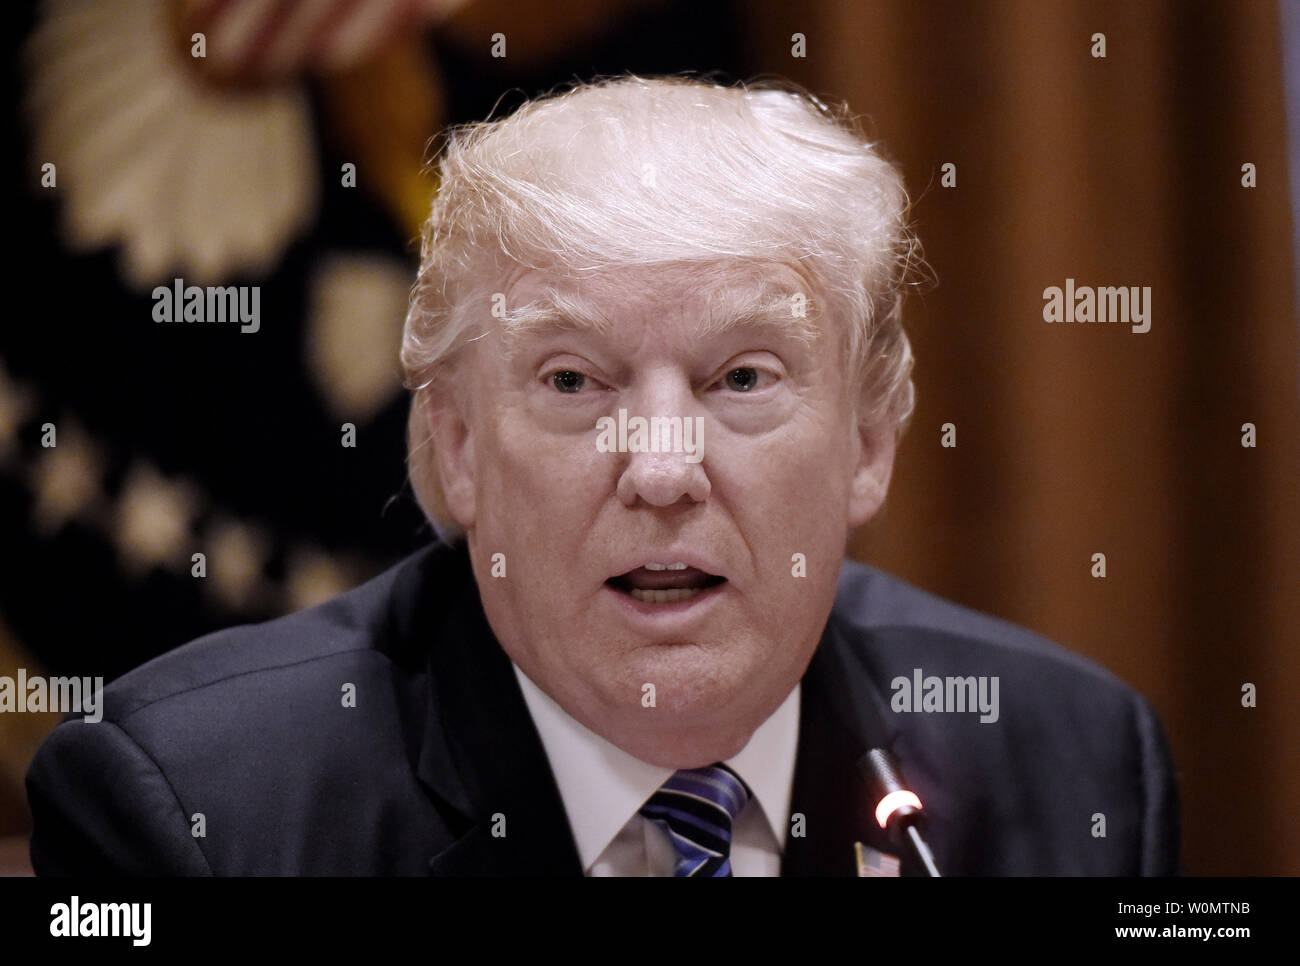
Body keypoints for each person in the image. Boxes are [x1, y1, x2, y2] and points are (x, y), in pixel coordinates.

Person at [26, 74, 1179, 876]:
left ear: (869, 439)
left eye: (741, 378)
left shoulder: (1075, 765)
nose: (664, 471)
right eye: (574, 383)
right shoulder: (194, 809)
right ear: (460, 445)